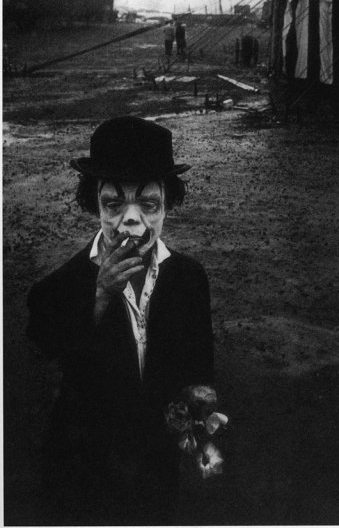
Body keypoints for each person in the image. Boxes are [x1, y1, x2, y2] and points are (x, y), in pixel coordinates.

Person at [27, 116, 214, 526]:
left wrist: (200, 421)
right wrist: (98, 294)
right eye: (114, 204)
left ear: (167, 204)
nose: (131, 220)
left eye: (148, 204)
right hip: (81, 473)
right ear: (94, 203)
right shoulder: (59, 286)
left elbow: (200, 365)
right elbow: (41, 343)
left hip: (156, 471)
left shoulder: (189, 278)